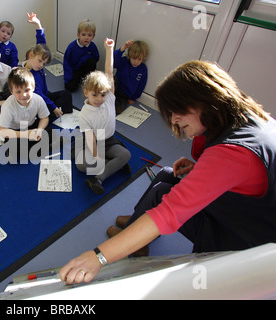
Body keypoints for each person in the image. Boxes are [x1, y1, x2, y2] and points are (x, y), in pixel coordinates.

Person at [60, 60, 276, 285]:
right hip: (246, 209)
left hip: (244, 238)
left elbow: (170, 213)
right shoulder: (252, 117)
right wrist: (199, 167)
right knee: (165, 173)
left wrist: (98, 257)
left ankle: (138, 235)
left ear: (204, 101)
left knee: (163, 195)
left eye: (177, 110)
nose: (173, 119)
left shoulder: (231, 154)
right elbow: (244, 176)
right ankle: (136, 223)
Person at [75, 38, 131, 195]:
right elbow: (90, 139)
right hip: (93, 144)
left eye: (103, 94)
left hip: (110, 141)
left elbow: (109, 72)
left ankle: (98, 178)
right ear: (86, 93)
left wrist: (109, 49)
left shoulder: (110, 99)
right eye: (95, 95)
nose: (100, 99)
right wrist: (96, 156)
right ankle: (114, 165)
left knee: (126, 154)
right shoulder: (84, 114)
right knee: (80, 165)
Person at [20, 12, 73, 121]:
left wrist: (37, 24)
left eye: (44, 63)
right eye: (40, 61)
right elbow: (38, 94)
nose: (41, 65)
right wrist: (53, 107)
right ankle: (51, 115)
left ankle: (54, 114)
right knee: (48, 108)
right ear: (31, 55)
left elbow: (42, 44)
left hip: (44, 95)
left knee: (67, 94)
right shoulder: (25, 74)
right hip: (36, 102)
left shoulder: (37, 61)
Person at [0, 67, 50, 163]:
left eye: (27, 90)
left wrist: (39, 130)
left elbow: (44, 118)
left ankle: (34, 148)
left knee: (49, 132)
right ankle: (36, 148)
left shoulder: (38, 99)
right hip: (15, 131)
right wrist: (25, 134)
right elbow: (2, 131)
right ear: (11, 91)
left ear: (33, 87)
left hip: (32, 126)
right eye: (18, 92)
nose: (24, 95)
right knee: (11, 155)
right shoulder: (8, 106)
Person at [63, 19, 99, 92]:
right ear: (78, 35)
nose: (86, 37)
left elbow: (96, 58)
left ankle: (88, 80)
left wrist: (85, 58)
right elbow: (66, 63)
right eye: (83, 34)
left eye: (89, 35)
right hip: (75, 70)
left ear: (93, 36)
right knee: (70, 88)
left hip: (86, 69)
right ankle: (80, 79)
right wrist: (68, 78)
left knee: (91, 61)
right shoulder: (71, 47)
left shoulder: (92, 46)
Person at [113, 39, 148, 115]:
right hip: (115, 86)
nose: (136, 62)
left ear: (143, 58)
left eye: (139, 59)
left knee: (118, 109)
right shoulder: (124, 61)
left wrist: (134, 97)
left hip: (125, 94)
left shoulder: (143, 69)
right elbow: (113, 61)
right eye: (134, 58)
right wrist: (123, 48)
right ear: (129, 56)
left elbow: (141, 85)